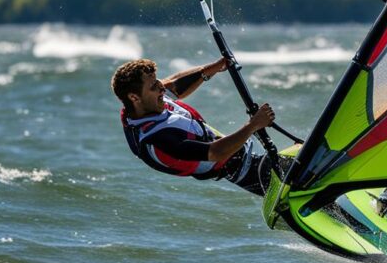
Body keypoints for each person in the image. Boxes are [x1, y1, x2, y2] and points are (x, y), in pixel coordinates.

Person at [111, 57, 276, 195]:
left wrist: (214, 67)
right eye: (154, 86)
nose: (162, 88)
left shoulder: (146, 104)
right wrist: (253, 125)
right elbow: (215, 153)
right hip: (247, 173)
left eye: (158, 81)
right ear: (134, 97)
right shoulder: (157, 140)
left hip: (249, 154)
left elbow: (175, 85)